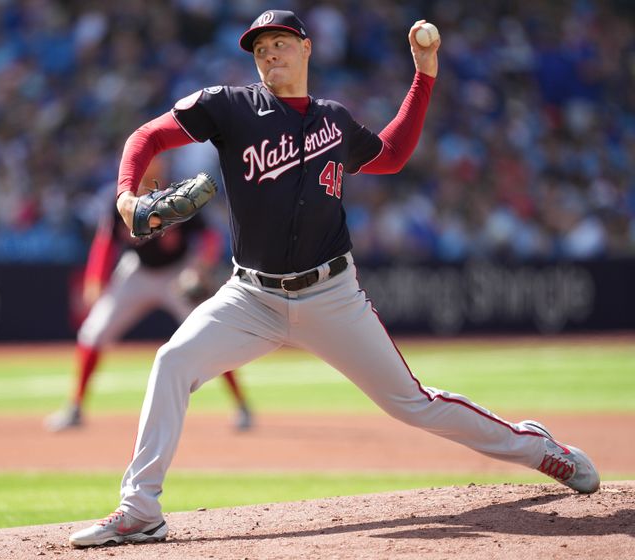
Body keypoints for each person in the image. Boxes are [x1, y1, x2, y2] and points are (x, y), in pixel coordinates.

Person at [68, 10, 600, 548]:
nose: (268, 54)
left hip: (331, 294)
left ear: (306, 48)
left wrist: (424, 75)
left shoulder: (334, 120)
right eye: (259, 49)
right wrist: (127, 195)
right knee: (172, 361)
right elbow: (147, 137)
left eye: (279, 43)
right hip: (250, 296)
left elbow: (391, 156)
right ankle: (140, 510)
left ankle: (539, 449)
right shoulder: (228, 107)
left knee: (413, 404)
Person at [45, 158, 253, 433]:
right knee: (92, 333)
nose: (151, 165)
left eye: (155, 160)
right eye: (145, 160)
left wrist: (201, 266)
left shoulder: (179, 193)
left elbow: (209, 237)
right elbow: (106, 241)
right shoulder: (121, 198)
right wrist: (95, 277)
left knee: (210, 335)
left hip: (177, 273)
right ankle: (75, 407)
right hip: (138, 272)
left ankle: (241, 405)